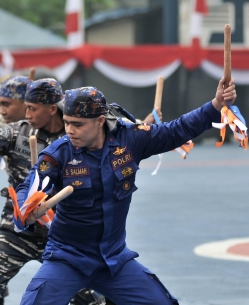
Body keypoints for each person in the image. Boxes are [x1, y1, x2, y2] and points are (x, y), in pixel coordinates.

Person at [16, 78, 236, 305]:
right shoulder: (58, 153)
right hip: (67, 259)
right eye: (67, 122)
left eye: (78, 124)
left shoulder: (131, 138)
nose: (70, 130)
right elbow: (30, 185)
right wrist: (25, 208)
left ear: (100, 120)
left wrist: (216, 104)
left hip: (113, 261)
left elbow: (177, 130)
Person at [0, 77, 74, 305]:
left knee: (93, 296)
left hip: (64, 233)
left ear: (52, 109)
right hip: (18, 229)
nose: (27, 114)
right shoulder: (16, 132)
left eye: (32, 108)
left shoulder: (76, 136)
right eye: (26, 107)